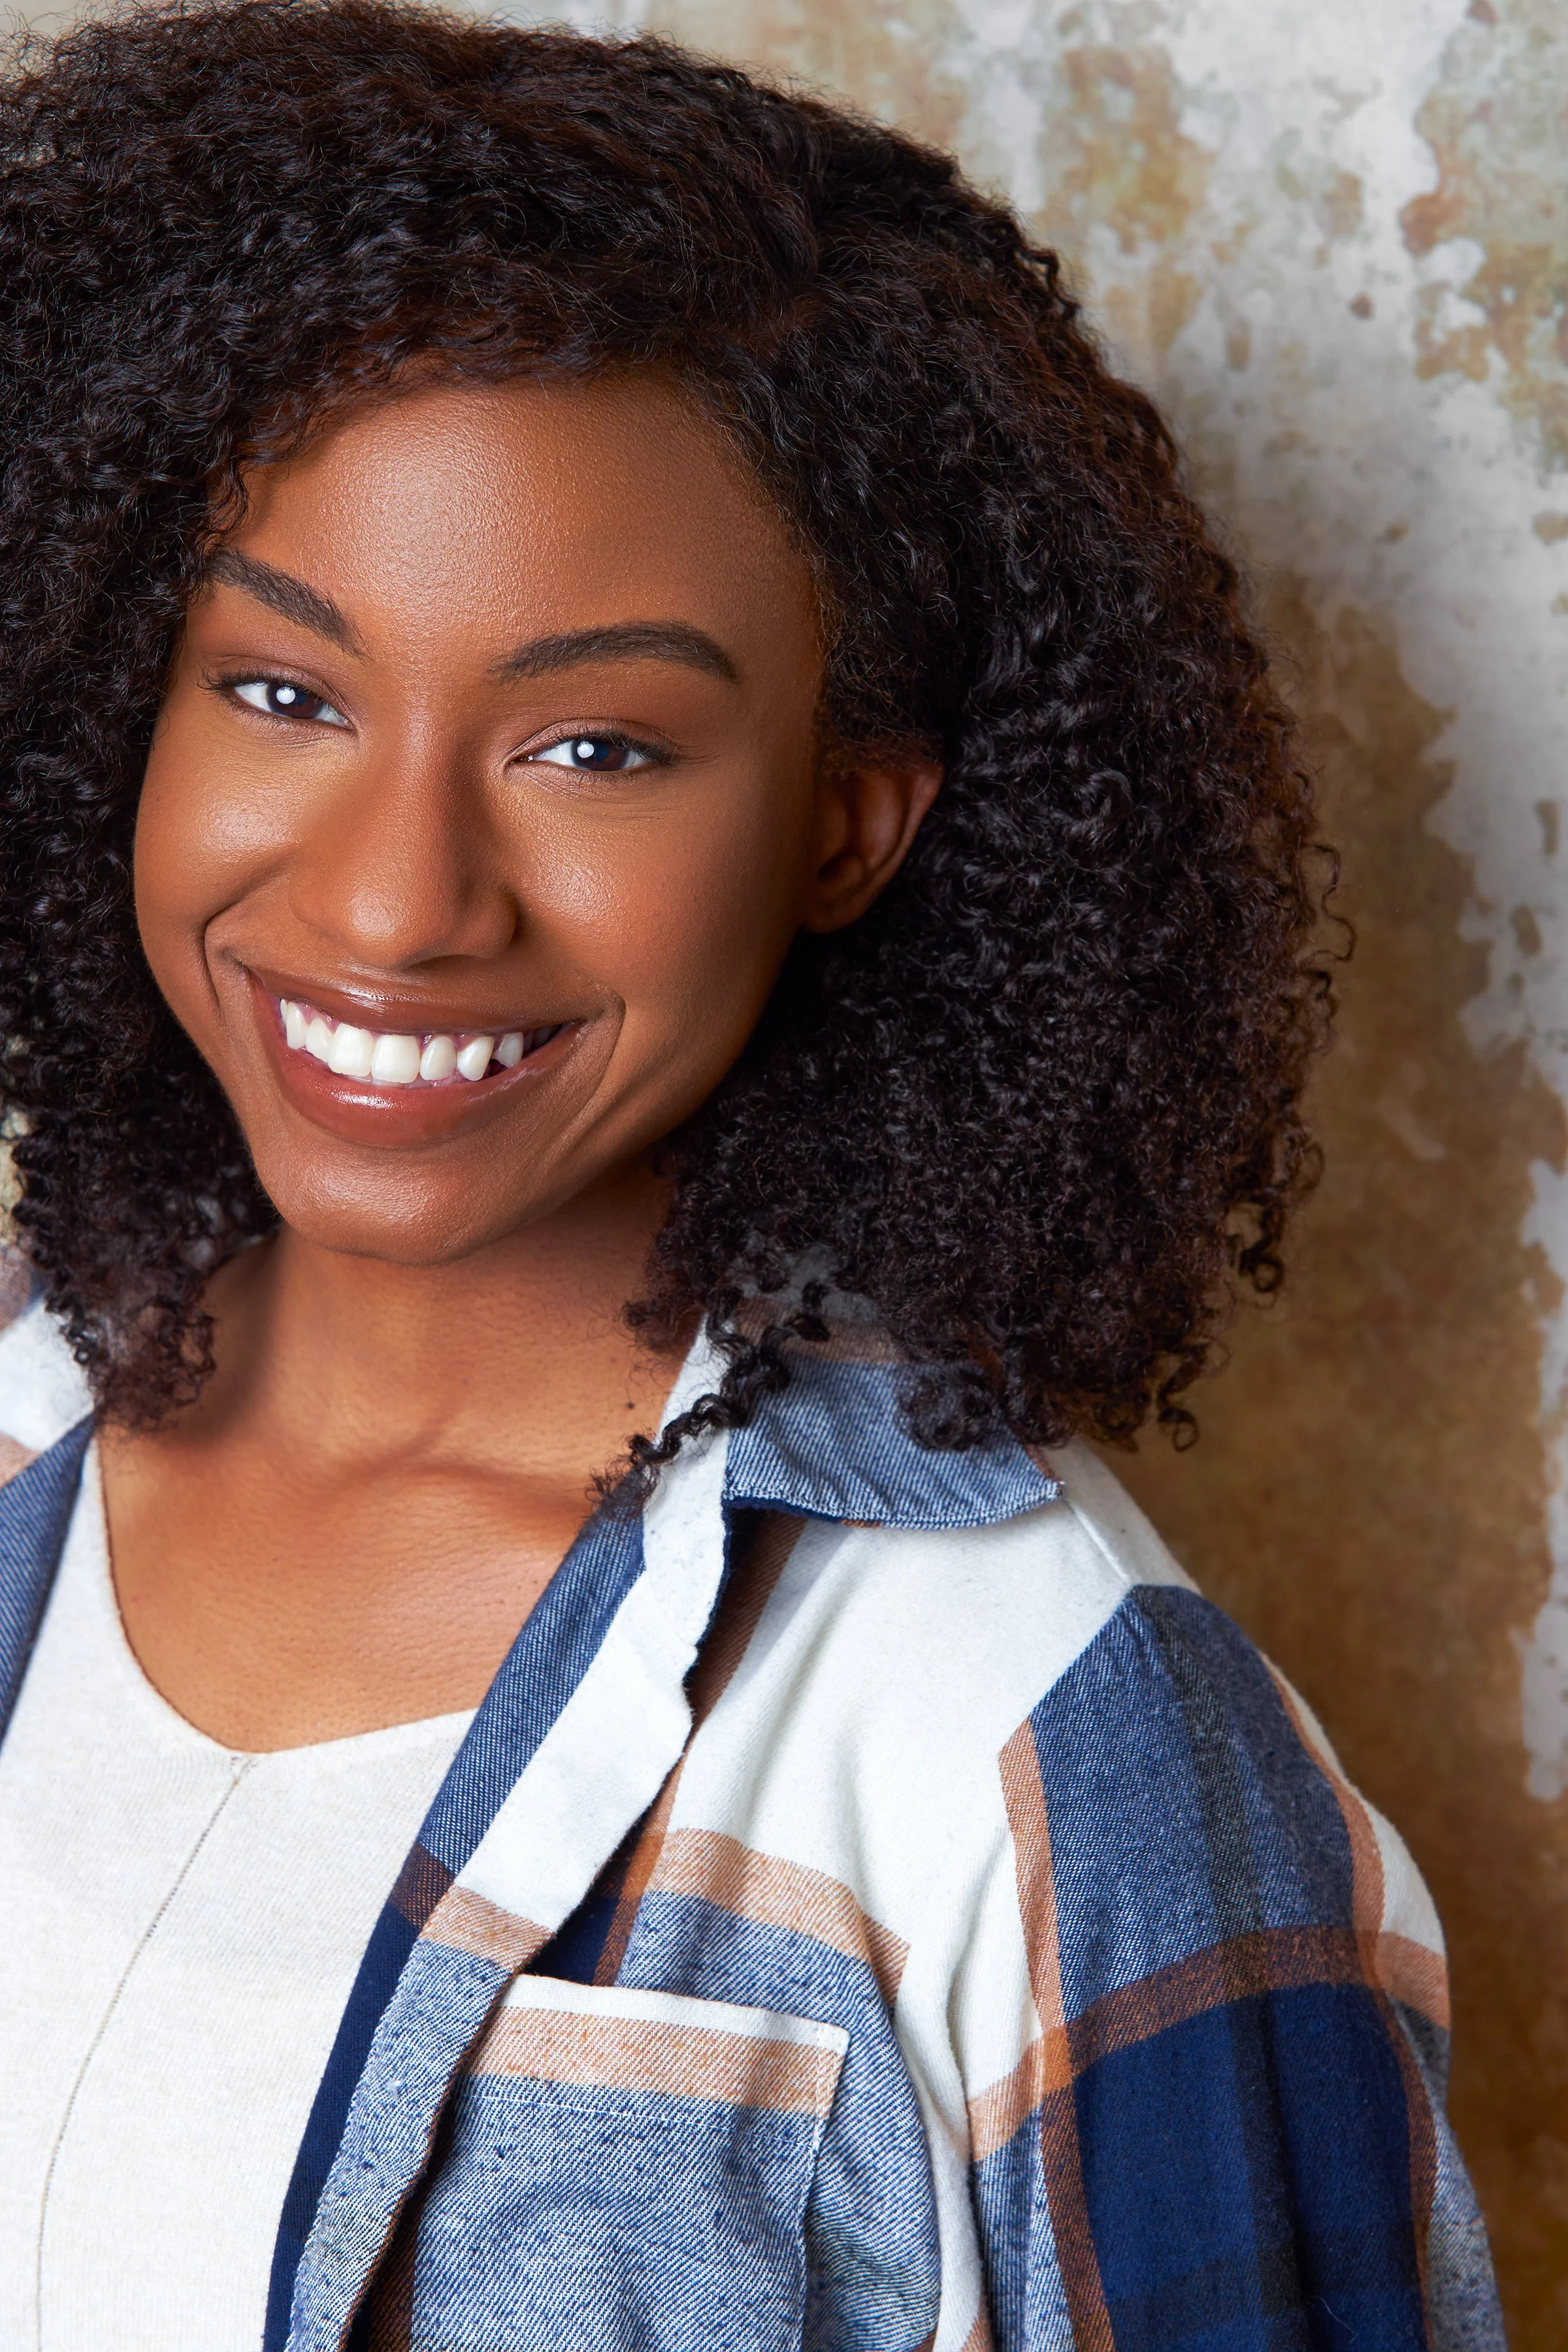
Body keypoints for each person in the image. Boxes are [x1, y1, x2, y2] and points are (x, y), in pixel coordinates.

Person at [0, 3, 1504, 2346]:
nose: (398, 902)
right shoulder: (19, 1408)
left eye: (598, 746)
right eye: (282, 693)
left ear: (842, 827)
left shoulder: (1044, 1744)